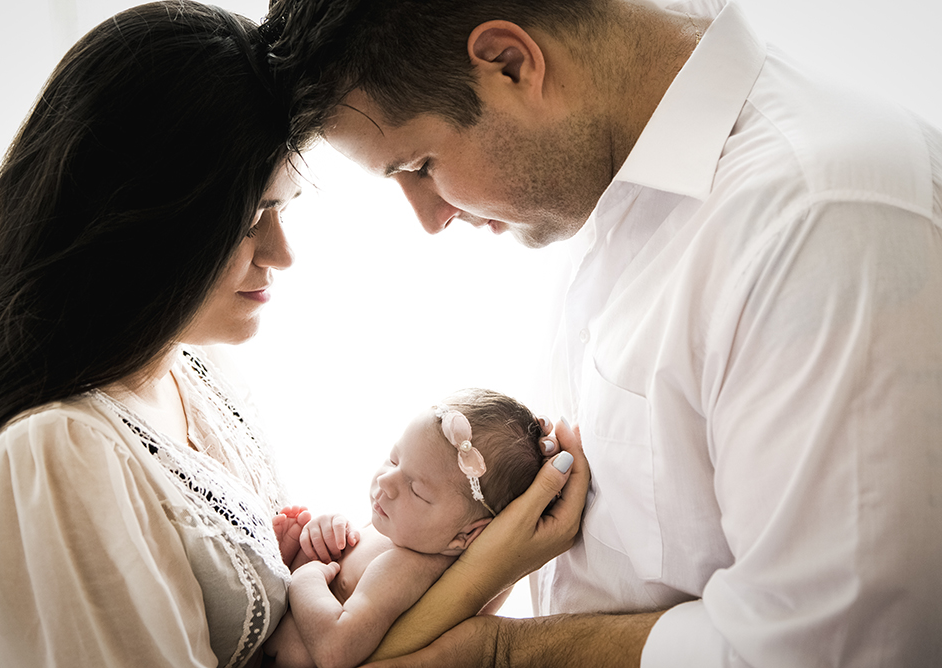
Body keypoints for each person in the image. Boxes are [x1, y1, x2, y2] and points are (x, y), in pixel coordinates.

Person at [261, 0, 942, 665]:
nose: (431, 218)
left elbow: (832, 647)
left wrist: (502, 654)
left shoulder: (823, 222)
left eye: (420, 166)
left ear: (510, 63)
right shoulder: (612, 195)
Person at [0, 3, 300, 665]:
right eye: (252, 218)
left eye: (283, 208)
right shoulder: (55, 452)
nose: (282, 253)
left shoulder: (191, 373)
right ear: (145, 219)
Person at [263, 389, 573, 668]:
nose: (386, 481)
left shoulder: (406, 567)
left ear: (466, 535)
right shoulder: (403, 529)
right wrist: (324, 537)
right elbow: (341, 582)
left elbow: (335, 650)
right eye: (394, 459)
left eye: (417, 491)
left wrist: (307, 577)